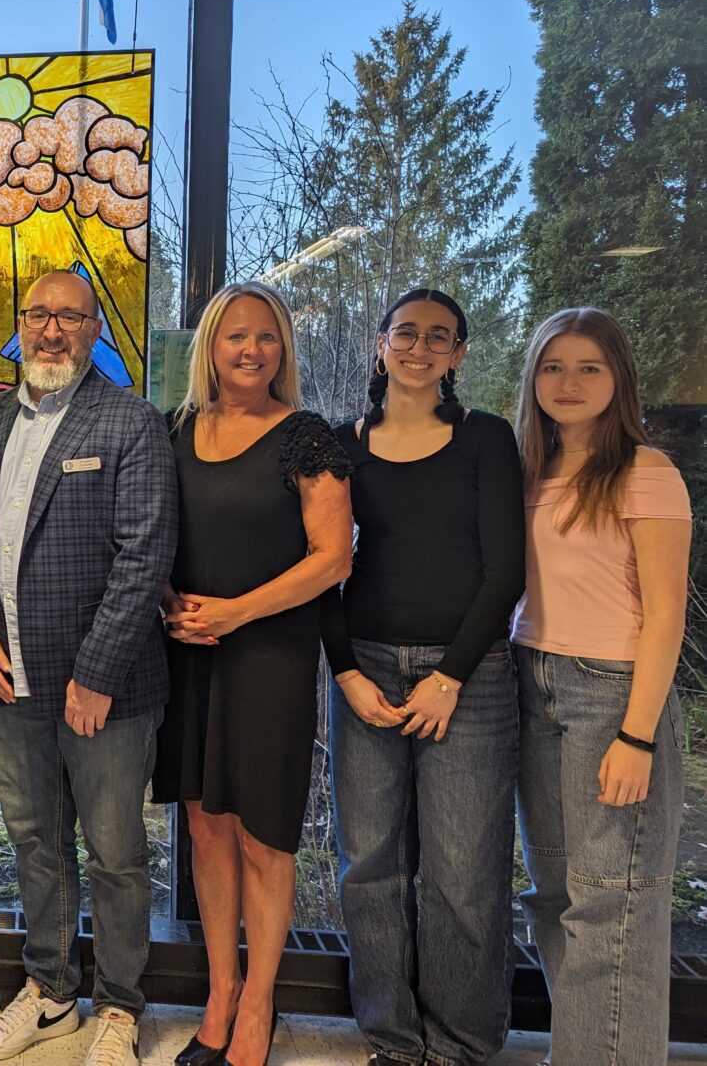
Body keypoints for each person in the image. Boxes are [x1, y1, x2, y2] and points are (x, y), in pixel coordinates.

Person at [0, 271, 177, 1066]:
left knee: (116, 854)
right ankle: (51, 990)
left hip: (105, 693)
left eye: (69, 317)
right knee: (35, 842)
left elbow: (143, 555)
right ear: (21, 326)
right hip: (10, 682)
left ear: (94, 332)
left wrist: (96, 672)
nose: (51, 331)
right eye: (38, 315)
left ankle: (119, 1005)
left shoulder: (129, 423)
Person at [321, 289, 524, 1066]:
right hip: (364, 671)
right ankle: (392, 1042)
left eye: (438, 337)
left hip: (468, 680)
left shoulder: (485, 440)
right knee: (368, 867)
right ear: (379, 344)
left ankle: (461, 1046)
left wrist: (450, 677)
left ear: (458, 355)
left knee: (463, 873)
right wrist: (342, 672)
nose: (418, 347)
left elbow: (505, 569)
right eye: (405, 333)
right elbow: (324, 571)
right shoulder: (340, 445)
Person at [153, 282, 352, 1066]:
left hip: (267, 657)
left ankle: (260, 1004)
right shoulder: (175, 429)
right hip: (188, 652)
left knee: (264, 836)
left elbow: (331, 558)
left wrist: (233, 613)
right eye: (235, 336)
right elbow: (154, 530)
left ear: (282, 350)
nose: (250, 350)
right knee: (204, 824)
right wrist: (171, 600)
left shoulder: (306, 436)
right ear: (211, 345)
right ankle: (220, 991)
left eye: (265, 338)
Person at [511, 307, 691, 1063]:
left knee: (610, 904)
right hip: (528, 680)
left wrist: (635, 734)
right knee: (553, 897)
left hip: (610, 694)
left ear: (617, 378)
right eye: (553, 366)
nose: (568, 382)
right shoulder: (530, 467)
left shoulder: (645, 472)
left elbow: (665, 617)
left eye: (589, 367)